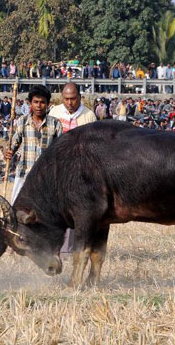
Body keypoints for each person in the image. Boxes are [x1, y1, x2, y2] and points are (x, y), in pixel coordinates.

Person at [48, 83, 96, 253]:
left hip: (80, 171)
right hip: (58, 170)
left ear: (79, 98)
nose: (70, 102)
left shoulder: (89, 116)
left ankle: (76, 248)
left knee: (77, 210)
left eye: (73, 99)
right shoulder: (54, 113)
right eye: (67, 99)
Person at [5, 85, 62, 203]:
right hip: (24, 172)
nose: (39, 106)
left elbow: (60, 151)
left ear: (48, 104)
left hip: (46, 176)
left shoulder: (55, 124)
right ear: (30, 103)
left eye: (42, 102)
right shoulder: (22, 121)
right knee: (17, 207)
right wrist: (9, 152)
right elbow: (13, 145)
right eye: (35, 102)